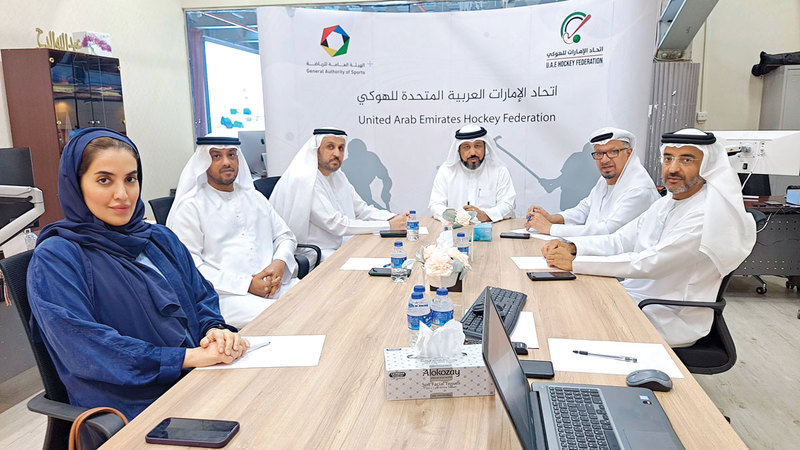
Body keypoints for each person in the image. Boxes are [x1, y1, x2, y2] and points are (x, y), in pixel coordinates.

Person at [26, 128, 249, 421]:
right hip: (131, 407)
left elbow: (201, 295)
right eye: (104, 180)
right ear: (76, 185)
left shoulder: (159, 238)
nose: (122, 195)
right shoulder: (58, 257)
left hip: (198, 379)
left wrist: (214, 330)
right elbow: (85, 346)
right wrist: (187, 357)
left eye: (130, 179)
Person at [541, 129, 756, 347]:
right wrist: (572, 247)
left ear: (707, 165)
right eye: (668, 158)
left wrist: (575, 263)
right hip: (636, 295)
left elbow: (651, 262)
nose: (673, 168)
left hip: (668, 315)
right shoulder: (667, 203)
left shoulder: (707, 214)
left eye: (686, 160)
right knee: (558, 300)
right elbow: (620, 240)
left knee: (563, 319)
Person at [166, 136, 298, 328]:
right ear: (204, 162)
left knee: (318, 298)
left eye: (231, 155)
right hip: (225, 296)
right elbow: (191, 267)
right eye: (216, 156)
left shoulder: (255, 198)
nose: (226, 162)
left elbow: (285, 236)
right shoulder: (191, 207)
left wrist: (278, 263)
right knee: (289, 317)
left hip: (272, 286)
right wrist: (247, 284)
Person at [270, 128, 408, 262]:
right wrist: (387, 225)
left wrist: (394, 218)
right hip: (314, 253)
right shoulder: (305, 179)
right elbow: (336, 224)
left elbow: (361, 209)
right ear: (316, 150)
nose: (337, 153)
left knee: (384, 254)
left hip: (340, 245)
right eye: (330, 147)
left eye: (341, 148)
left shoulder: (338, 176)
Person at [527, 128, 659, 236]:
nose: (605, 160)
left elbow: (608, 231)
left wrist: (550, 228)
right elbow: (583, 210)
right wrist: (551, 219)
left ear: (628, 153)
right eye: (599, 153)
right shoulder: (606, 179)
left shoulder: (639, 189)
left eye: (613, 152)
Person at [429, 124, 516, 222]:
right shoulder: (446, 171)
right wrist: (456, 217)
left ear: (485, 147)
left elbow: (508, 205)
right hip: (456, 228)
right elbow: (435, 205)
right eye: (466, 147)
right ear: (458, 149)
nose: (473, 152)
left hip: (491, 227)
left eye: (477, 146)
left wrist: (485, 215)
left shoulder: (499, 170)